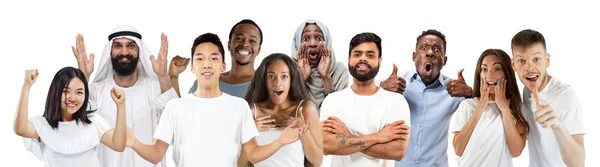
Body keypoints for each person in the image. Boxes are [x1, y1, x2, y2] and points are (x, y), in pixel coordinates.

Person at [128, 33, 310, 167]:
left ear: (223, 66)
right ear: (192, 67)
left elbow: (253, 154)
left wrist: (281, 141)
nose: (207, 64)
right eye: (200, 58)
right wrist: (133, 142)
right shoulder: (175, 107)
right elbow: (156, 154)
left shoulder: (239, 106)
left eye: (213, 58)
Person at [71, 25, 178, 167]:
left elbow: (176, 122)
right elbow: (76, 125)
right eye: (117, 46)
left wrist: (163, 76)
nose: (124, 51)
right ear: (110, 52)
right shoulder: (97, 91)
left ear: (139, 51)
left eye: (130, 46)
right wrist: (83, 76)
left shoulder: (154, 89)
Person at [378, 30, 473, 167]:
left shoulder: (454, 89)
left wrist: (471, 93)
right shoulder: (394, 83)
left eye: (437, 49)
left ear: (445, 60)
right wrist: (380, 89)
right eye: (424, 48)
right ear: (414, 56)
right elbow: (360, 100)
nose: (430, 53)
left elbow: (488, 108)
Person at [320, 32, 411, 167]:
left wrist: (346, 136)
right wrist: (379, 137)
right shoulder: (333, 100)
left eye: (370, 55)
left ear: (379, 61)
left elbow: (398, 151)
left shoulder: (396, 101)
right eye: (357, 54)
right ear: (349, 59)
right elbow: (327, 146)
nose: (363, 59)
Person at [14, 67, 130, 167]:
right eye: (65, 91)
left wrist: (121, 105)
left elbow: (118, 145)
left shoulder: (94, 122)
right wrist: (26, 86)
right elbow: (20, 129)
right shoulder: (42, 124)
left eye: (79, 92)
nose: (72, 98)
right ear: (55, 92)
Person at [510, 29, 585, 167]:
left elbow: (579, 163)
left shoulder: (566, 96)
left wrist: (557, 126)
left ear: (547, 60)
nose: (529, 67)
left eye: (536, 59)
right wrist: (469, 93)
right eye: (522, 60)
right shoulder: (527, 89)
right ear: (513, 64)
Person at [241, 53, 323, 167]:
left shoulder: (306, 109)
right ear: (264, 81)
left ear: (291, 80)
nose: (277, 83)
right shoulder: (251, 111)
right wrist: (249, 131)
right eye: (271, 76)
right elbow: (240, 163)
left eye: (284, 76)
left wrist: (304, 132)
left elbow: (317, 161)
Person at [450, 49, 528, 166]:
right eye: (484, 69)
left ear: (507, 73)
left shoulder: (518, 108)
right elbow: (458, 149)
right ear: (479, 74)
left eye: (497, 69)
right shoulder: (467, 106)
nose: (489, 75)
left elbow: (516, 152)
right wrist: (479, 109)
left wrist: (505, 109)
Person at [170, 19, 263, 98]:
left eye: (252, 41)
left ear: (258, 50)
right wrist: (173, 75)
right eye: (239, 38)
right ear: (229, 44)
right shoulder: (205, 80)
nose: (245, 44)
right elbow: (181, 115)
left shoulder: (264, 85)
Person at [291, 19, 349, 111]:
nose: (313, 44)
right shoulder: (288, 71)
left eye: (319, 38)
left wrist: (326, 77)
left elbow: (339, 112)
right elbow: (286, 111)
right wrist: (302, 79)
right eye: (306, 39)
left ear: (327, 42)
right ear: (298, 44)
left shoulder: (340, 71)